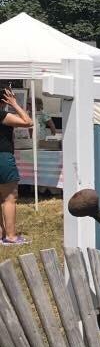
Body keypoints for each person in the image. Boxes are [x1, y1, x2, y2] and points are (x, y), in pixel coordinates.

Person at [0, 88, 33, 245]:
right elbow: (28, 122)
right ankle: (11, 236)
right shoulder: (3, 115)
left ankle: (1, 233)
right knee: (9, 197)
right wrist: (15, 104)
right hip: (3, 157)